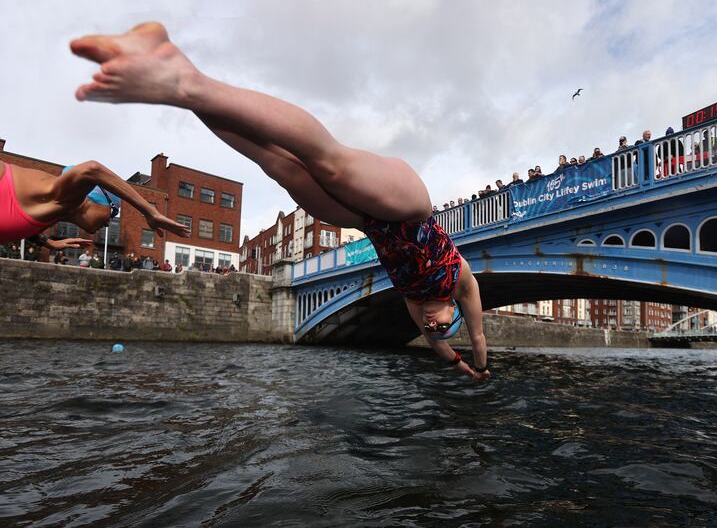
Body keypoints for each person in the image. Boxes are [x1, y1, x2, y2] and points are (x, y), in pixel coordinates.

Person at [71, 21, 489, 379]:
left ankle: (180, 84)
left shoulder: (416, 304)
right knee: (329, 164)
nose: (433, 326)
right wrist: (480, 364)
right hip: (409, 206)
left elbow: (440, 350)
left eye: (431, 330)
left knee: (280, 169)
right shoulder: (461, 282)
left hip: (370, 221)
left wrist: (454, 364)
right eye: (442, 326)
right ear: (453, 311)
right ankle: (187, 82)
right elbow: (478, 335)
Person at [0, 157, 189, 249]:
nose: (109, 222)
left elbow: (24, 225)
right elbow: (92, 169)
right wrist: (150, 212)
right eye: (113, 211)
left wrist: (49, 243)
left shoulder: (53, 212)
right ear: (90, 198)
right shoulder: (63, 199)